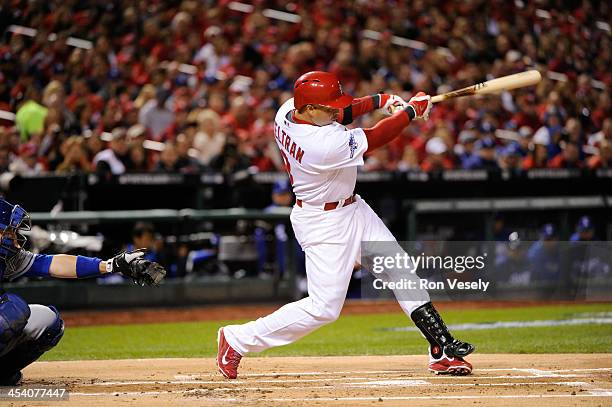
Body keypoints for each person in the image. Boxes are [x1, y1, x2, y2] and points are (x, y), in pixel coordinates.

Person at [217, 71, 474, 379]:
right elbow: (377, 136)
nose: (335, 111)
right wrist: (410, 112)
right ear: (309, 109)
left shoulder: (288, 109)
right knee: (323, 308)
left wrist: (382, 100)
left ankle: (441, 350)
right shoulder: (321, 145)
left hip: (352, 208)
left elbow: (343, 110)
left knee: (400, 270)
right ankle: (236, 339)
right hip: (323, 223)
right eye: (327, 108)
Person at [0, 199, 166, 385]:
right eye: (7, 232)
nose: (13, 238)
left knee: (49, 323)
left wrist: (110, 265)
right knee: (12, 311)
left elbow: (52, 263)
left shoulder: (7, 258)